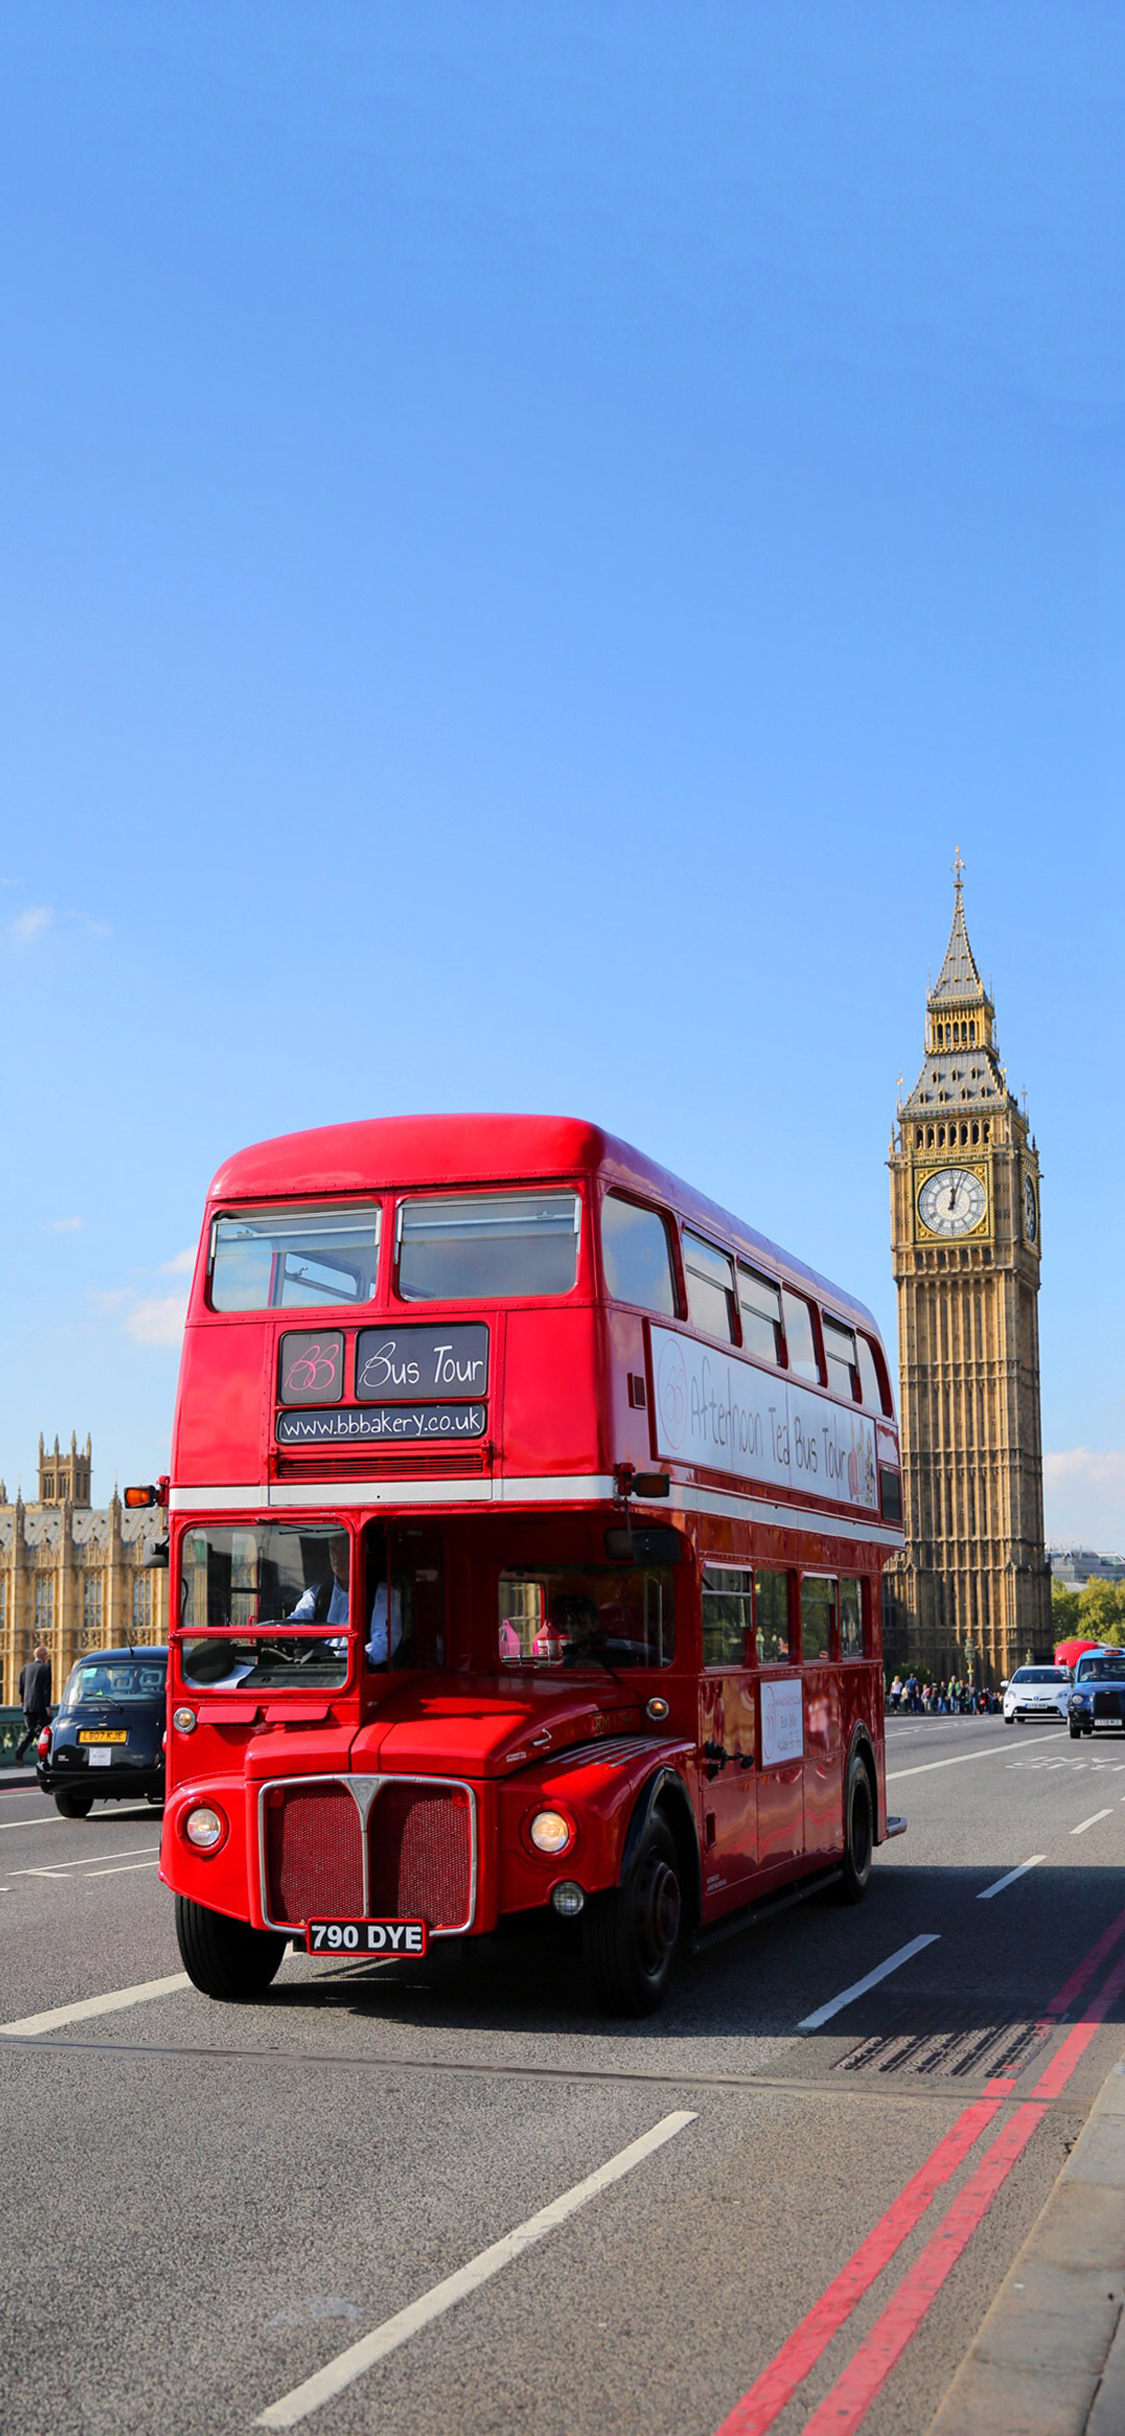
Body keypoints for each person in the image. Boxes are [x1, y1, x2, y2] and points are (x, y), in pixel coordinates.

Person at [16, 1643, 52, 1761]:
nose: (46, 1657)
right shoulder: (46, 1668)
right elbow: (46, 1689)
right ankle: (47, 1756)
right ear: (42, 1656)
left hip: (27, 1706)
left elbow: (21, 1686)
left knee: (31, 1730)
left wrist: (22, 1700)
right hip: (40, 1706)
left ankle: (20, 1751)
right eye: (46, 1655)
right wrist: (47, 1706)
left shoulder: (26, 1667)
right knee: (46, 1731)